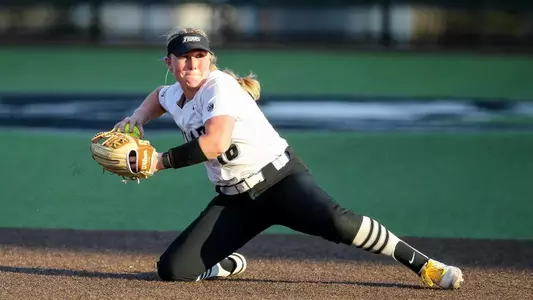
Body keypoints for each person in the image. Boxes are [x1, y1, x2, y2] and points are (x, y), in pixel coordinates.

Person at [113, 27, 464, 289]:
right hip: (236, 200)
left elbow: (215, 143)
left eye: (199, 55)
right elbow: (159, 97)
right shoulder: (174, 93)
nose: (192, 62)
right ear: (169, 62)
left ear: (209, 59)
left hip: (281, 181)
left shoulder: (220, 88)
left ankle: (423, 265)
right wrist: (138, 118)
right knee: (172, 270)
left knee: (341, 224)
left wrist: (160, 161)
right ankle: (228, 262)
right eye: (183, 57)